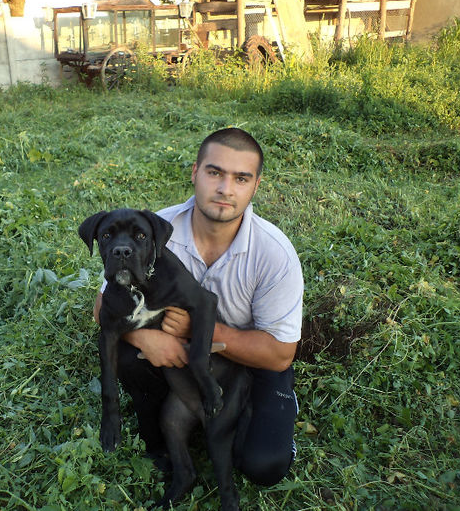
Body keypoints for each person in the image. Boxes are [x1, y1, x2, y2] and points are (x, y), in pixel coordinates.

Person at [93, 128, 303, 486]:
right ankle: (163, 426)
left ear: (256, 185)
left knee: (262, 465)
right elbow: (103, 307)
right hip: (173, 353)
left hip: (248, 361)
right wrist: (146, 340)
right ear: (194, 173)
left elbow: (281, 354)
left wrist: (197, 329)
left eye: (241, 178)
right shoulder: (155, 228)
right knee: (129, 357)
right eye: (214, 172)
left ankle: (261, 411)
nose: (225, 188)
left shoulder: (274, 254)